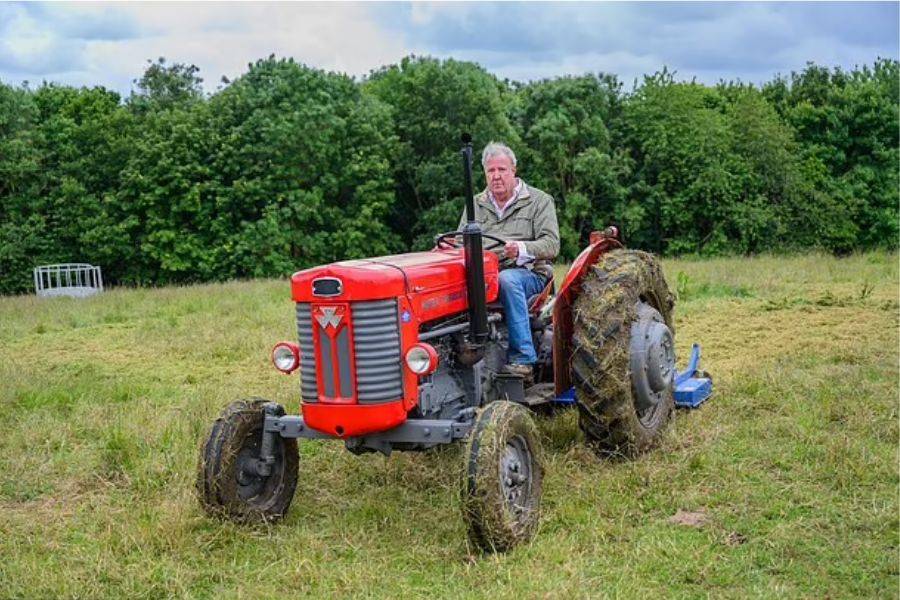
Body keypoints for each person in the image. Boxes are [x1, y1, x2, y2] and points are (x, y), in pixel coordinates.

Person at [458, 141, 560, 378]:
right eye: (491, 171)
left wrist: (522, 248)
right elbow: (461, 242)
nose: (496, 176)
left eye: (502, 170)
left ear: (514, 170)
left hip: (529, 274)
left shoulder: (539, 201)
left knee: (507, 280)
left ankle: (523, 357)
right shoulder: (475, 204)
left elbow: (552, 244)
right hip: (483, 276)